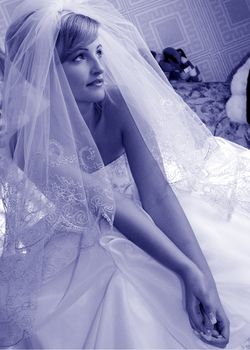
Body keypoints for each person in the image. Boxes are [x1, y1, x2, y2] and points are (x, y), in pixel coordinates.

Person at [0, 0, 250, 348]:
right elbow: (109, 204)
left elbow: (158, 193)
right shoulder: (26, 144)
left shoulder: (117, 102)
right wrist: (185, 271)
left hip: (156, 209)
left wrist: (204, 277)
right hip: (95, 234)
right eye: (78, 57)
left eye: (98, 51)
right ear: (43, 70)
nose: (99, 67)